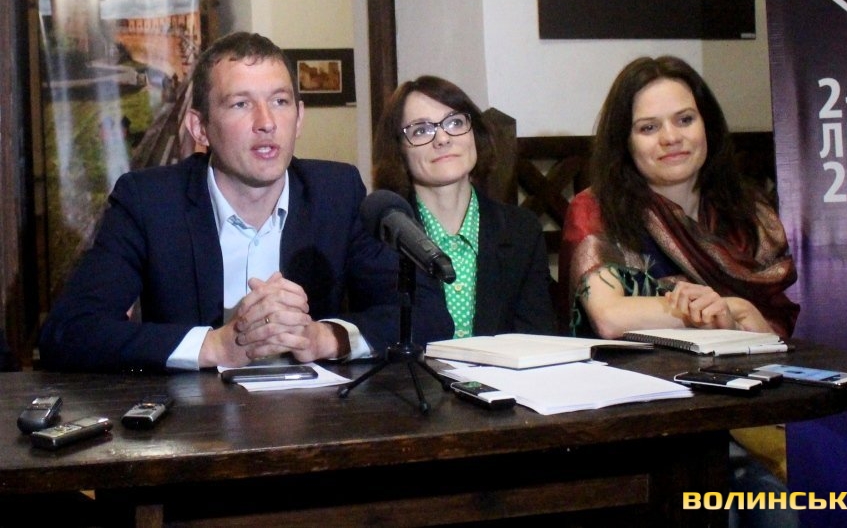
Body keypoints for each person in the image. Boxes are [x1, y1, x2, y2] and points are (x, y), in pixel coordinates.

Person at [38, 32, 453, 373]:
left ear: (299, 118)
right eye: (241, 104)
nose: (266, 122)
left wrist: (323, 337)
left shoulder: (336, 193)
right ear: (200, 127)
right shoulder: (149, 201)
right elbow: (68, 332)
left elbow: (429, 314)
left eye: (280, 102)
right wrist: (217, 346)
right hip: (195, 432)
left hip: (314, 427)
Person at [559, 55, 799, 528]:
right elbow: (610, 317)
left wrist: (737, 309)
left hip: (747, 413)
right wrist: (718, 311)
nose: (671, 138)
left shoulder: (750, 214)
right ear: (625, 141)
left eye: (684, 119)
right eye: (648, 128)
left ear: (707, 125)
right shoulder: (596, 210)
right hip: (642, 424)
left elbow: (775, 338)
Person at [372, 75, 557, 338]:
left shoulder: (521, 230)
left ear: (474, 134)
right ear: (398, 150)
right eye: (421, 130)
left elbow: (536, 338)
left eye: (455, 122)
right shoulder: (380, 235)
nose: (443, 138)